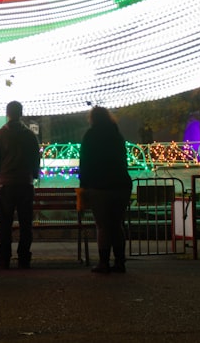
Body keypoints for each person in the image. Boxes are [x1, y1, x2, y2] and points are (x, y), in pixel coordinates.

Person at [78, 106, 132, 274]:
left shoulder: (90, 136)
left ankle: (103, 262)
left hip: (99, 186)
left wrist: (83, 185)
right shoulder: (117, 135)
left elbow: (85, 162)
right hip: (121, 185)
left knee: (102, 226)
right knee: (116, 225)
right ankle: (120, 261)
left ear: (92, 118)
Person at [0, 100, 40, 269]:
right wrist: (33, 176)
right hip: (25, 183)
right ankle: (24, 256)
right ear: (21, 113)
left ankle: (4, 258)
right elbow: (35, 160)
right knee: (25, 224)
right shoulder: (30, 136)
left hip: (6, 185)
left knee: (5, 224)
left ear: (7, 113)